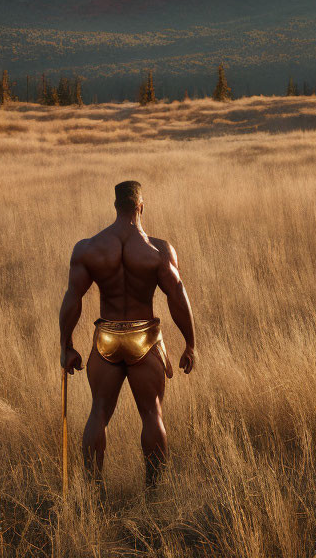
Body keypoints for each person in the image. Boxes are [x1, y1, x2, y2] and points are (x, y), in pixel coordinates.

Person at [58, 179, 196, 486]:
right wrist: (190, 343)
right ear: (140, 207)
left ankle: (95, 490)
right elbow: (177, 295)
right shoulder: (158, 250)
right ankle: (154, 492)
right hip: (145, 337)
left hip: (106, 336)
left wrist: (66, 345)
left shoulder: (89, 247)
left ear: (115, 206)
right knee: (152, 414)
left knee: (99, 412)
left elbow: (72, 298)